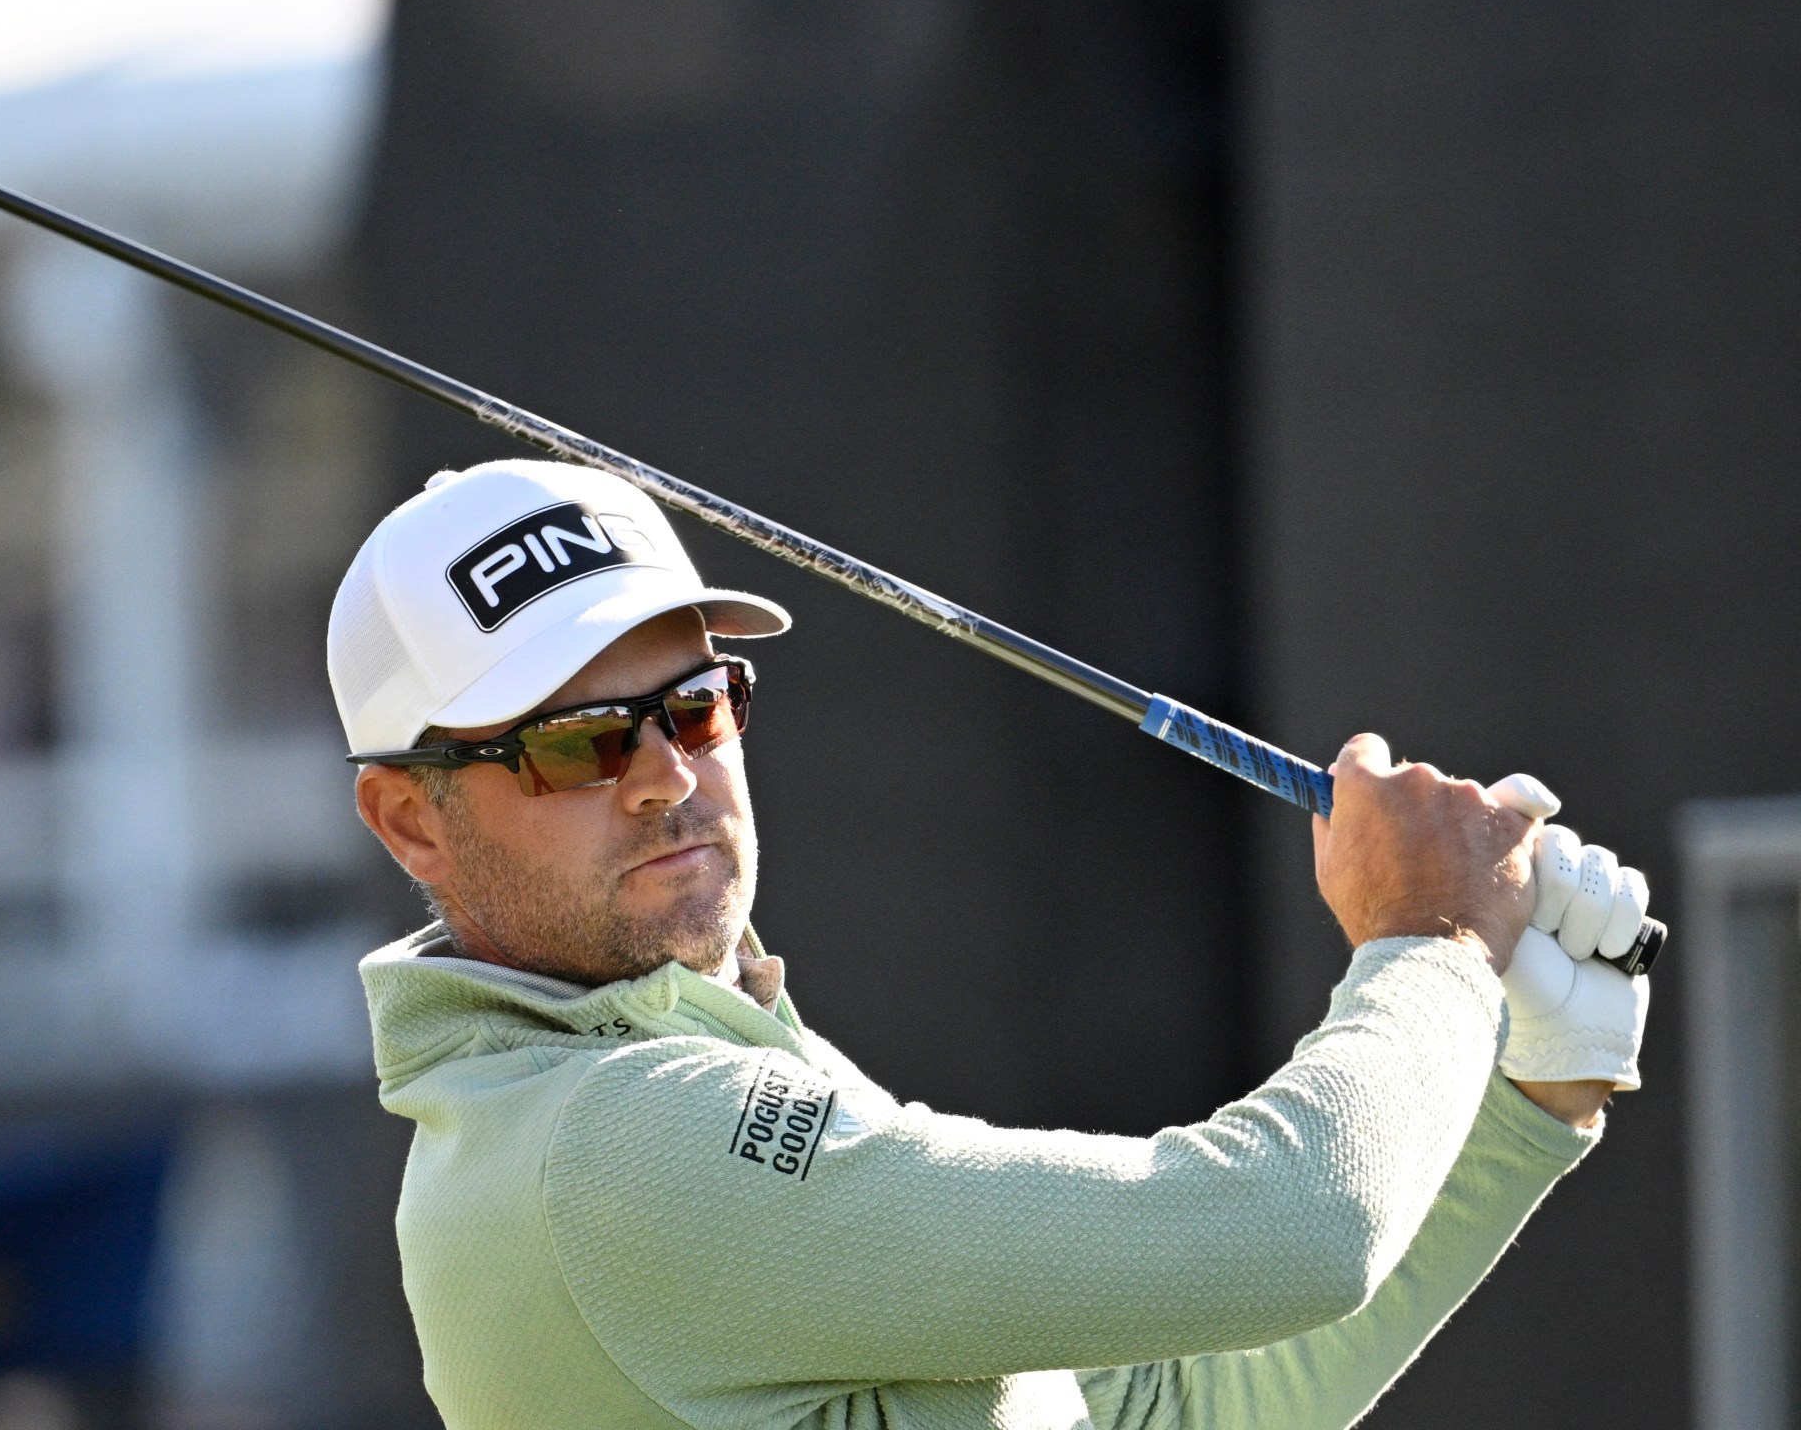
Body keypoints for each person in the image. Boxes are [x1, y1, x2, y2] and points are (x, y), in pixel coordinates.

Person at [330, 459, 1652, 1429]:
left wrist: (1530, 1088)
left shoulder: (666, 1079)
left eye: (698, 704)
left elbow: (1173, 1412)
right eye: (575, 743)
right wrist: (1428, 941)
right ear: (410, 823)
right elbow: (1298, 1224)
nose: (668, 776)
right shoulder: (613, 1151)